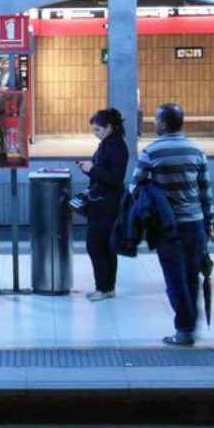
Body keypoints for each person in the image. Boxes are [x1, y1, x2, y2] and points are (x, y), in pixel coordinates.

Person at [133, 103, 214, 346]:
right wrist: (210, 223)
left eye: (157, 119)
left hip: (168, 227)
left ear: (165, 124)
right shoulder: (196, 151)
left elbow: (134, 187)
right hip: (195, 224)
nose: (153, 123)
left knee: (174, 279)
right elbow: (205, 191)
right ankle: (189, 325)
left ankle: (184, 329)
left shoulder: (150, 152)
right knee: (191, 277)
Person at [76, 108, 130, 302]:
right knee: (106, 247)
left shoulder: (117, 147)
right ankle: (107, 287)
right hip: (101, 202)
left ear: (109, 127)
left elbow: (115, 179)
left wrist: (93, 169)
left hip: (107, 205)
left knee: (96, 245)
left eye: (98, 130)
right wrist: (89, 169)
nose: (95, 134)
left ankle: (103, 287)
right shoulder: (107, 144)